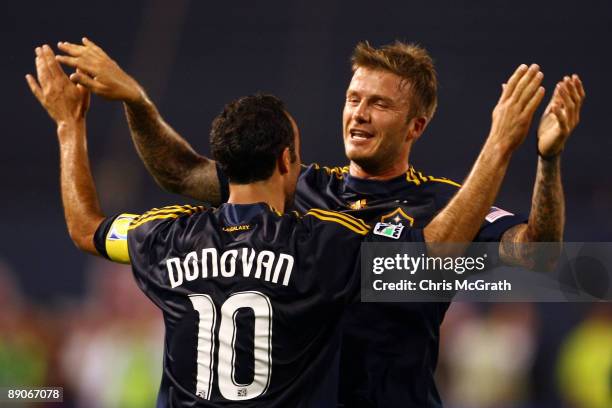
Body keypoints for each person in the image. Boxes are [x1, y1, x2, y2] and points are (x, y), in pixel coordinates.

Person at [51, 39, 584, 406]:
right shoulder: (298, 186)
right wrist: (138, 102)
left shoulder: (445, 204)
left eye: (379, 104)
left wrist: (548, 160)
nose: (359, 114)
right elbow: (183, 170)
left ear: (416, 124)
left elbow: (541, 261)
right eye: (354, 99)